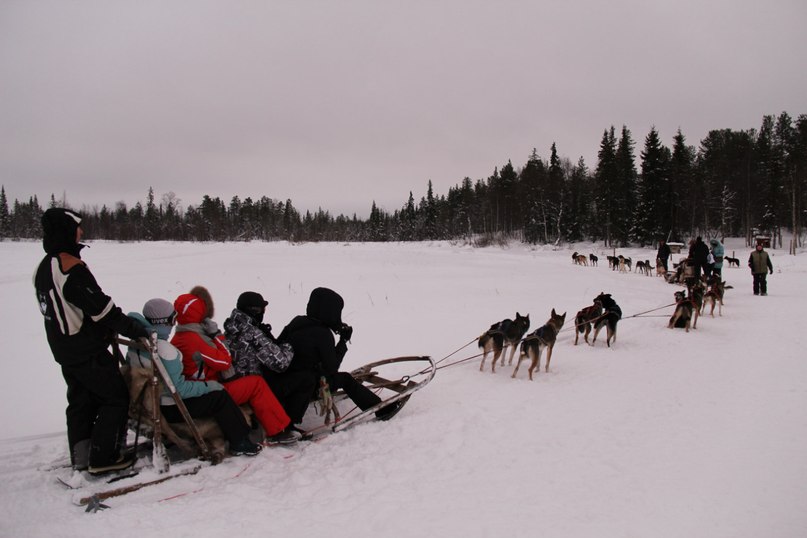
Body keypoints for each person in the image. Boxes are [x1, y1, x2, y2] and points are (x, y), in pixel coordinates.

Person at [34, 207, 148, 474]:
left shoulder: (45, 266)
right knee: (116, 397)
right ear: (66, 231)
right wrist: (135, 329)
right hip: (85, 350)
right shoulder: (70, 269)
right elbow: (101, 309)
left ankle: (83, 455)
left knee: (81, 401)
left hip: (65, 349)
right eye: (77, 227)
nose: (81, 232)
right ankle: (104, 458)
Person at [126, 298, 261, 457]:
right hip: (170, 408)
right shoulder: (165, 351)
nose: (174, 323)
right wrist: (210, 386)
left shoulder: (137, 344)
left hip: (149, 405)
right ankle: (240, 440)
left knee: (214, 393)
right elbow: (180, 389)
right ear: (163, 321)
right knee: (219, 397)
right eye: (172, 319)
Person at [170, 286, 298, 444]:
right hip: (209, 390)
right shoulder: (195, 339)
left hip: (204, 387)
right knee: (257, 384)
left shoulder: (179, 336)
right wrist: (216, 336)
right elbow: (225, 362)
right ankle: (278, 430)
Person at [278, 287, 405, 422]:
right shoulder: (323, 334)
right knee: (345, 378)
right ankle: (380, 409)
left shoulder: (296, 322)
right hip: (307, 383)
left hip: (285, 380)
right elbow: (332, 368)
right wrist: (343, 342)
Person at [224, 292, 316, 426]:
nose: (263, 313)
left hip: (236, 384)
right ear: (254, 311)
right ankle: (288, 425)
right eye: (262, 310)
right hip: (254, 389)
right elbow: (281, 363)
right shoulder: (251, 333)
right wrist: (288, 345)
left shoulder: (231, 327)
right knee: (306, 378)